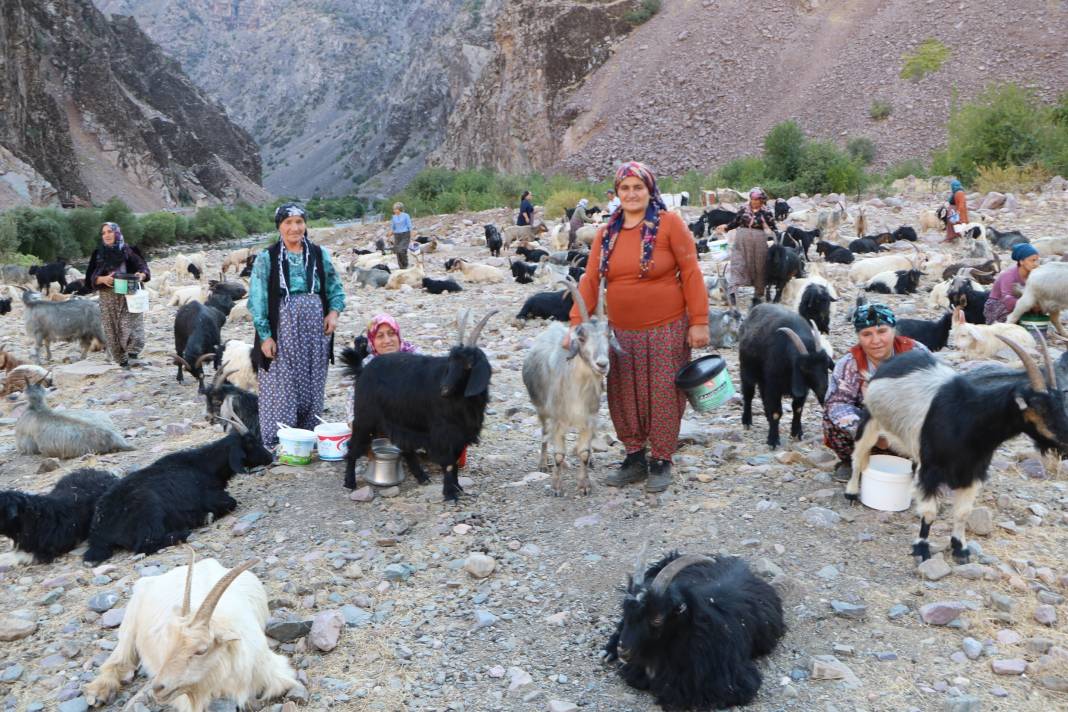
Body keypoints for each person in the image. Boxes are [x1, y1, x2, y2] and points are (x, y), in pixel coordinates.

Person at [568, 161, 710, 493]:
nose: (631, 194)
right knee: (624, 396)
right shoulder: (606, 234)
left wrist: (700, 321)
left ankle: (661, 459)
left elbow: (691, 273)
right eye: (625, 188)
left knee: (663, 394)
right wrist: (576, 325)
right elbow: (590, 282)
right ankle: (634, 457)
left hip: (668, 327)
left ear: (649, 191)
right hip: (621, 333)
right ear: (616, 193)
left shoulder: (670, 225)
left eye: (638, 187)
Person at [250, 203, 346, 448]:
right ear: (279, 227)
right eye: (288, 222)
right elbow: (257, 299)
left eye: (299, 222)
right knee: (281, 380)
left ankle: (308, 436)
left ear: (305, 224)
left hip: (315, 326)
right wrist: (265, 336)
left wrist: (333, 313)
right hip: (282, 327)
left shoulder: (318, 253)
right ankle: (280, 440)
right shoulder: (266, 258)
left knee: (313, 377)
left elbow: (335, 288)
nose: (294, 228)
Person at [822, 303, 925, 481]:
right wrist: (871, 432)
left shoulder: (918, 355)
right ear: (858, 337)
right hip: (868, 436)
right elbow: (837, 404)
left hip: (907, 432)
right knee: (831, 418)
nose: (876, 340)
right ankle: (851, 461)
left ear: (893, 330)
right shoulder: (849, 364)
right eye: (867, 334)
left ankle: (921, 466)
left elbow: (939, 396)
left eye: (882, 331)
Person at [85, 222, 150, 369]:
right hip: (108, 298)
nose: (106, 235)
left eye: (110, 231)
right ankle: (122, 362)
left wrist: (141, 275)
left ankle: (133, 355)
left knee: (129, 325)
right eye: (104, 233)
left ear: (117, 233)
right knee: (112, 329)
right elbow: (90, 278)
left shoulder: (129, 250)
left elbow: (143, 268)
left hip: (129, 294)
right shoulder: (98, 253)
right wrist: (102, 279)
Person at [344, 313, 417, 427]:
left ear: (398, 336)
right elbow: (352, 401)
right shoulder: (367, 366)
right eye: (380, 336)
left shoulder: (417, 360)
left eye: (391, 334)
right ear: (372, 341)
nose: (387, 341)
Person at [715, 187, 777, 307]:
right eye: (752, 199)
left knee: (759, 266)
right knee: (737, 262)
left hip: (759, 241)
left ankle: (758, 294)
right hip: (741, 239)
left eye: (757, 199)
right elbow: (736, 222)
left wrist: (776, 237)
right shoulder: (743, 209)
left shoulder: (767, 211)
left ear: (762, 200)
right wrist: (726, 228)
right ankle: (733, 291)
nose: (754, 201)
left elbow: (773, 227)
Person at [984, 243, 1042, 324]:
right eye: (1032, 260)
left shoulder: (1034, 274)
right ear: (1021, 261)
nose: (1036, 264)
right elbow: (1007, 300)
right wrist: (1030, 305)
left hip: (1021, 304)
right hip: (998, 305)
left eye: (1037, 260)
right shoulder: (1008, 275)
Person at [390, 202, 413, 268]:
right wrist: (390, 234)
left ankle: (405, 265)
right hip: (397, 235)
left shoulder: (406, 215)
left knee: (402, 250)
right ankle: (401, 267)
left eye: (395, 209)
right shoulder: (393, 217)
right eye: (393, 209)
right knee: (397, 251)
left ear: (400, 209)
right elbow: (393, 227)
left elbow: (409, 226)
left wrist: (412, 235)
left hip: (405, 234)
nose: (394, 211)